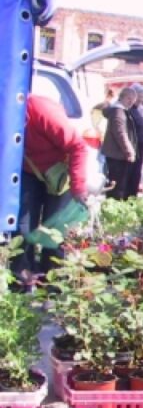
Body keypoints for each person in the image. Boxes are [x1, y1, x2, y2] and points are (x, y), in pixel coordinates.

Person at [14, 95, 88, 283]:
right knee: (22, 226)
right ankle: (22, 278)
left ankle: (53, 283)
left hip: (59, 171)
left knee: (55, 229)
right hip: (28, 171)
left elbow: (78, 146)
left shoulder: (41, 111)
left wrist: (78, 186)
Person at [100, 87, 138, 200]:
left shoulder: (118, 110)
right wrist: (129, 151)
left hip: (116, 154)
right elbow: (120, 133)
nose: (131, 102)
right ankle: (112, 209)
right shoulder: (118, 111)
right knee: (117, 186)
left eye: (133, 99)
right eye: (129, 98)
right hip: (117, 154)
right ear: (121, 97)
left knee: (116, 184)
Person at [125, 83, 143, 197]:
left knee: (135, 175)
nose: (141, 99)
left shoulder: (136, 110)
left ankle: (132, 196)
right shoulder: (128, 109)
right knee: (130, 175)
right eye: (140, 96)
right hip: (132, 149)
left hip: (138, 149)